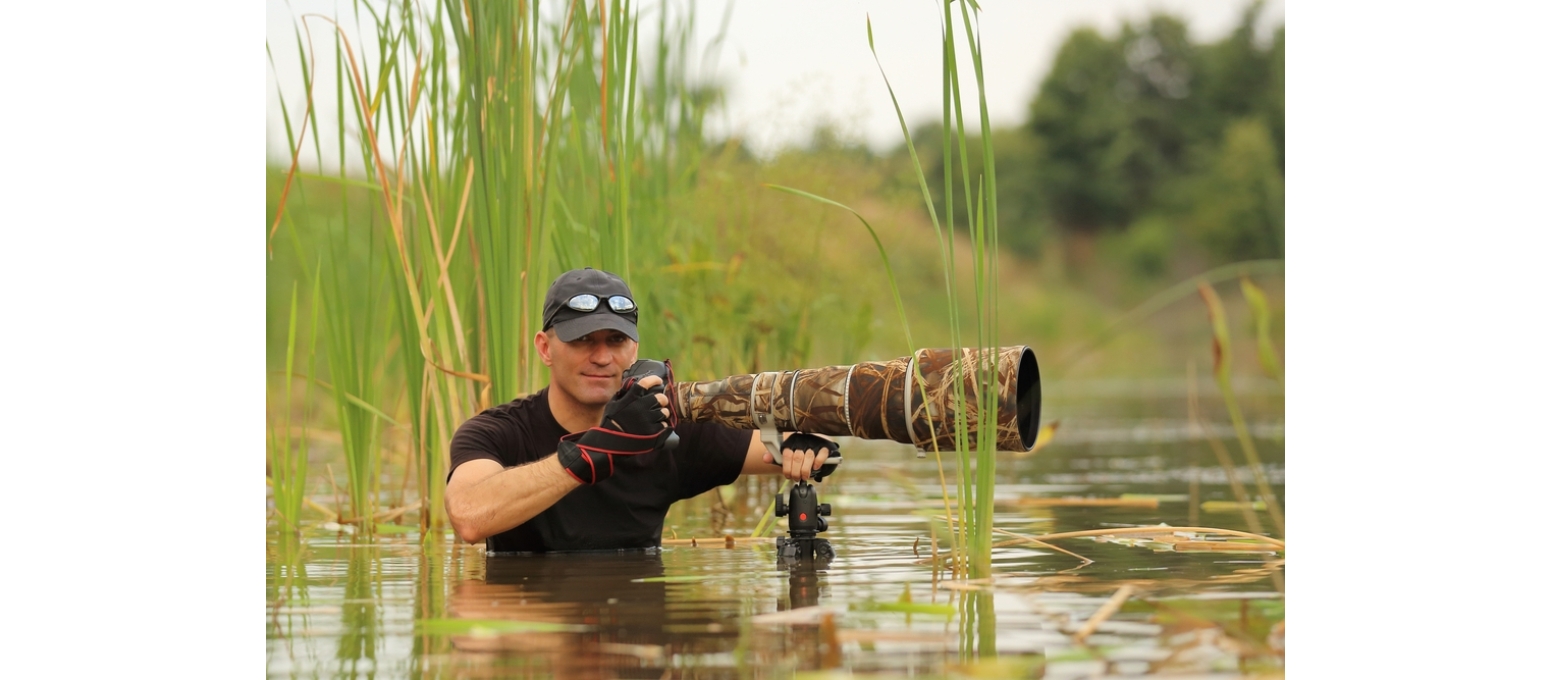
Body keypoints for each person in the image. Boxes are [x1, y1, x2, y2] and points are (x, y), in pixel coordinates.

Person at [445, 267, 833, 553]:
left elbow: (800, 450)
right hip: (534, 636)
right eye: (582, 340)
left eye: (615, 340)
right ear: (545, 348)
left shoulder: (663, 428)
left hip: (639, 636)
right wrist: (602, 447)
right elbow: (469, 515)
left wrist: (804, 446)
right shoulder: (496, 431)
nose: (601, 357)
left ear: (634, 348)